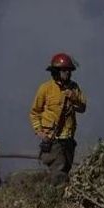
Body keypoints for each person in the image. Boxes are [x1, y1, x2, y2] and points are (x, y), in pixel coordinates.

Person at [29, 53, 87, 185]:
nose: (68, 73)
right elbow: (35, 112)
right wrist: (40, 132)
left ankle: (50, 195)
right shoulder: (45, 88)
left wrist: (74, 97)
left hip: (68, 139)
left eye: (69, 70)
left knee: (65, 170)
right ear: (56, 71)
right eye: (65, 70)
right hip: (53, 139)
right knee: (59, 172)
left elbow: (83, 107)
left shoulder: (74, 87)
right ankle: (54, 201)